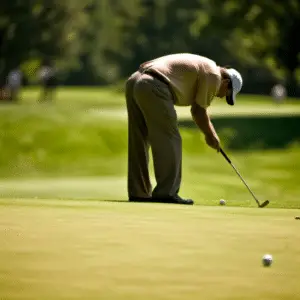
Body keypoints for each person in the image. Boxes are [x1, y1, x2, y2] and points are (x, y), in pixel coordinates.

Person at [125, 53, 243, 205]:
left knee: (139, 137)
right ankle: (166, 193)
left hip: (135, 80)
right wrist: (211, 135)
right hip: (154, 85)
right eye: (226, 95)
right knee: (170, 138)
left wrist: (209, 133)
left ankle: (138, 192)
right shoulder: (214, 75)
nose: (221, 97)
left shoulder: (207, 68)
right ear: (226, 82)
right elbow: (198, 112)